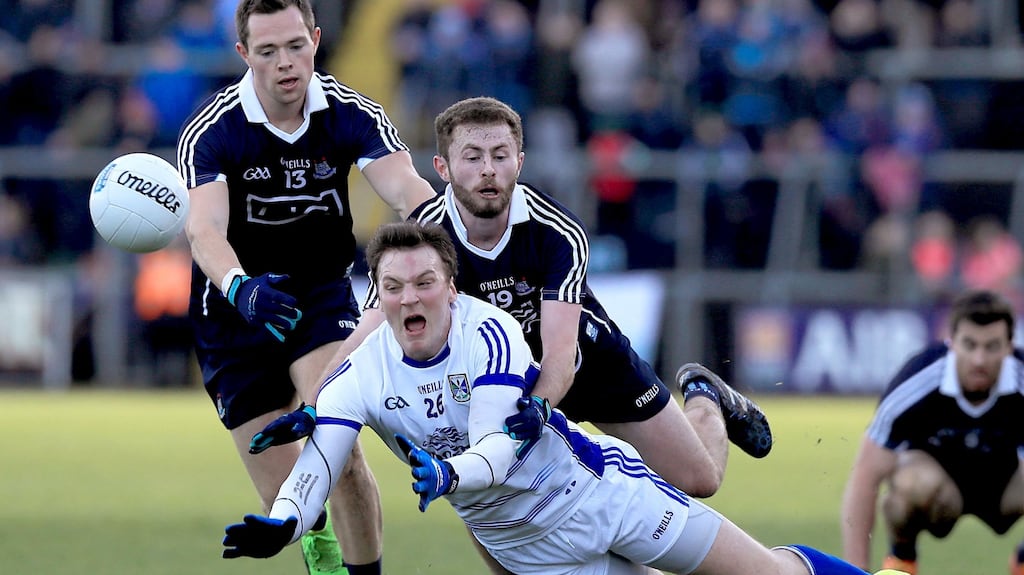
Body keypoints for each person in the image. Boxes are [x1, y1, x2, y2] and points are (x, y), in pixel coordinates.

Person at [252, 95, 772, 573]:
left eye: (500, 156)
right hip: (497, 379)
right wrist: (315, 405)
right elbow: (366, 332)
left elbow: (562, 354)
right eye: (472, 157)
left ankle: (705, 396)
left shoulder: (556, 231)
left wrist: (541, 404)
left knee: (700, 480)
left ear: (519, 161)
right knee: (487, 502)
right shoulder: (427, 234)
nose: (488, 170)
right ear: (443, 168)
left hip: (585, 364)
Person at [221, 220, 897, 575]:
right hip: (528, 551)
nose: (408, 298)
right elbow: (323, 456)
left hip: (602, 497)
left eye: (424, 282)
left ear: (451, 287)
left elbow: (498, 446)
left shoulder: (490, 332)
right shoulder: (360, 372)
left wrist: (448, 475)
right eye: (393, 287)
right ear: (378, 295)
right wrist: (286, 518)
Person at [175, 1, 436, 574]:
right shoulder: (213, 130)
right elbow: (203, 229)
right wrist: (241, 288)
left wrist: (440, 235)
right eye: (268, 51)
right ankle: (321, 550)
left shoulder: (351, 113)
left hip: (318, 300)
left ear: (315, 39)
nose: (285, 63)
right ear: (244, 54)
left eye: (296, 46)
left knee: (339, 449)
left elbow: (406, 187)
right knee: (287, 498)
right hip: (233, 313)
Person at [840, 290, 1024, 575]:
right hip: (938, 491)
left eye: (992, 346)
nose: (979, 359)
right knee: (908, 484)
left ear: (1009, 347)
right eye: (970, 344)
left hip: (1007, 489)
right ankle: (902, 558)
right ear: (951, 342)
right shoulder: (917, 380)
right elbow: (865, 477)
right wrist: (855, 571)